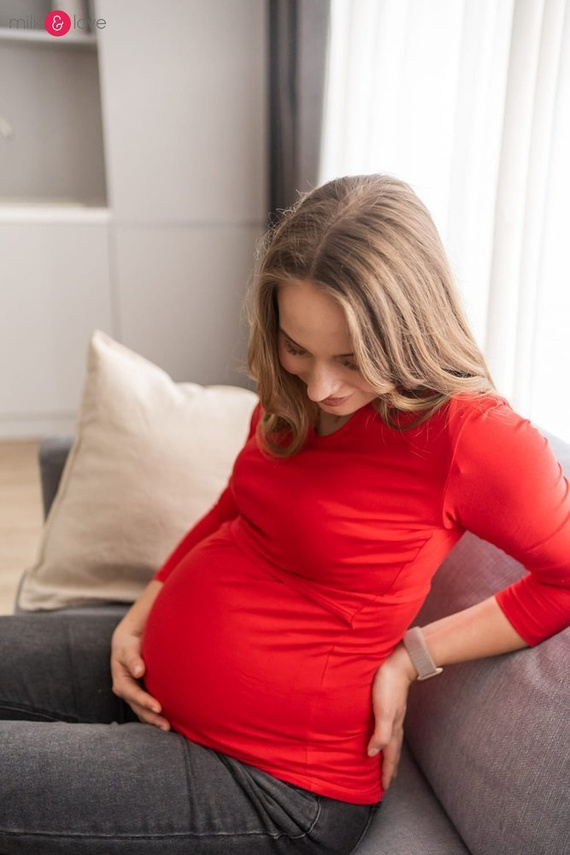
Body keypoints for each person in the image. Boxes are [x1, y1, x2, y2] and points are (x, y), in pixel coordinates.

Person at [1, 173, 569, 855]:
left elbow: (563, 575)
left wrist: (411, 657)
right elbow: (235, 502)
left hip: (278, 782)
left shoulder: (473, 438)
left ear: (410, 332)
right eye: (298, 346)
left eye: (353, 359)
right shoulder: (295, 390)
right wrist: (144, 608)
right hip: (158, 681)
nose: (321, 385)